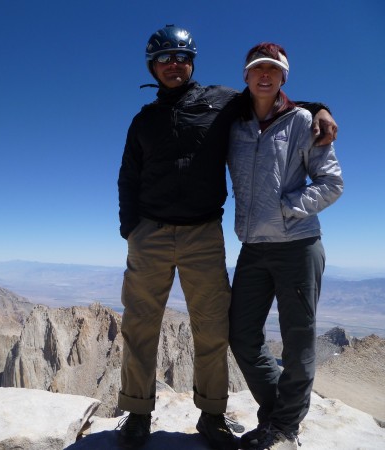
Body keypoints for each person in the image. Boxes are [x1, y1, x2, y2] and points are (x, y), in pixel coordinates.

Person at [116, 25, 337, 450]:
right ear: (153, 67)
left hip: (203, 233)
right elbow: (129, 175)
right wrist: (131, 228)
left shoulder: (221, 102)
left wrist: (321, 108)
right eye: (164, 59)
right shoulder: (143, 120)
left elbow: (269, 98)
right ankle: (137, 415)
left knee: (212, 326)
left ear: (192, 61)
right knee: (140, 325)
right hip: (151, 233)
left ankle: (212, 415)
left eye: (181, 56)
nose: (173, 65)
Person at [227, 43, 343, 449]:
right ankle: (279, 412)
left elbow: (332, 183)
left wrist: (289, 207)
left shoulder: (305, 122)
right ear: (245, 75)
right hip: (253, 247)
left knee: (298, 339)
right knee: (241, 335)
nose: (265, 75)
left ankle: (284, 429)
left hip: (298, 244)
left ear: (283, 78)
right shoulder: (234, 122)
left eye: (273, 70)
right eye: (257, 68)